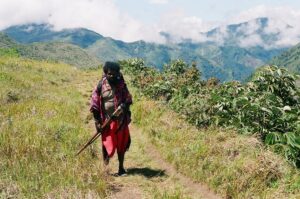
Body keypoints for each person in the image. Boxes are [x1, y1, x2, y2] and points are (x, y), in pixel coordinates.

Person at [90, 61, 132, 176]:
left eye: (115, 74)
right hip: (106, 122)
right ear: (105, 73)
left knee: (122, 145)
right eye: (110, 74)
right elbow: (94, 104)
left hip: (121, 121)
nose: (112, 76)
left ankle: (121, 168)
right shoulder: (101, 85)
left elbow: (128, 99)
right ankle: (105, 169)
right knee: (106, 144)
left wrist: (123, 106)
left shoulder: (122, 84)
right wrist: (97, 122)